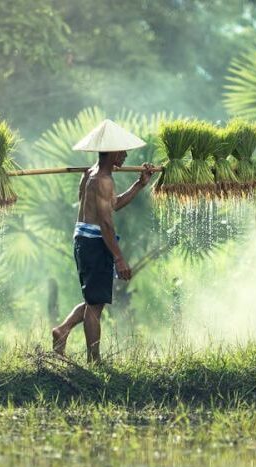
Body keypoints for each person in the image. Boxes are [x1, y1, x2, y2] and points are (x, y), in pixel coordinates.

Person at [52, 119, 155, 363]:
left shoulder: (91, 174)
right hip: (94, 242)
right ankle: (94, 360)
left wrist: (139, 184)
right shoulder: (103, 180)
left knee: (93, 300)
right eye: (122, 151)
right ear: (111, 153)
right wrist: (119, 258)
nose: (126, 155)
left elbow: (113, 204)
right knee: (96, 307)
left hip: (84, 239)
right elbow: (106, 223)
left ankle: (62, 330)